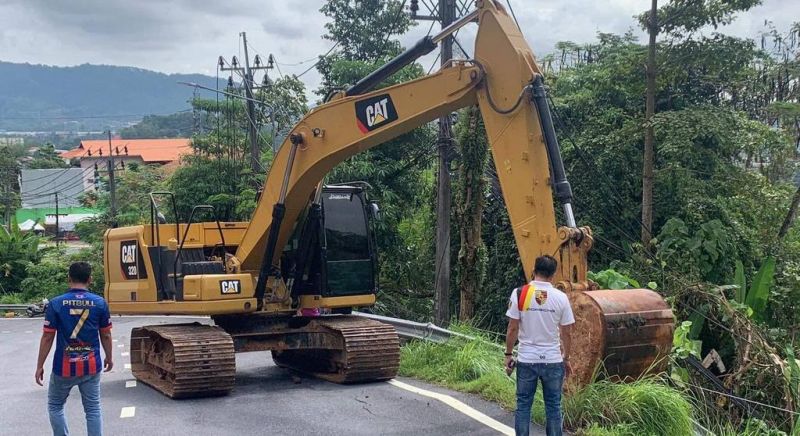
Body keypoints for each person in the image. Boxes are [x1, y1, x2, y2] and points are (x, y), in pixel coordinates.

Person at [35, 261, 113, 436]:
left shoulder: (56, 303)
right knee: (93, 408)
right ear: (90, 279)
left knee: (55, 406)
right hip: (91, 365)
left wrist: (40, 365)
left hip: (63, 367)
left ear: (69, 278)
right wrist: (109, 357)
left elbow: (48, 337)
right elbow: (106, 335)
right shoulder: (100, 303)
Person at [505, 255, 574, 436]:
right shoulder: (561, 298)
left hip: (527, 359)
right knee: (553, 406)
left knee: (523, 405)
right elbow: (567, 333)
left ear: (534, 271)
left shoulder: (520, 293)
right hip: (553, 360)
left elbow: (512, 328)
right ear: (553, 274)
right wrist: (566, 357)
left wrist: (508, 354)